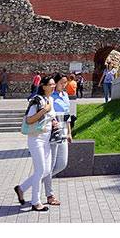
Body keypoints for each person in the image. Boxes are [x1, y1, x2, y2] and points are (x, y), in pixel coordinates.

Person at [14, 76, 58, 211]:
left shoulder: (50, 99)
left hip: (46, 139)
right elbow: (29, 120)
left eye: (54, 84)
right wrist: (44, 110)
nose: (53, 86)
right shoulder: (37, 100)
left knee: (46, 170)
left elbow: (49, 117)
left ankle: (21, 189)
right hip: (36, 138)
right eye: (51, 84)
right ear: (44, 86)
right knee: (39, 170)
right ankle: (36, 202)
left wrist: (53, 121)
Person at [49, 74, 73, 190]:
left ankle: (39, 180)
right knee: (52, 163)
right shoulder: (50, 96)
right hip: (53, 129)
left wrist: (69, 132)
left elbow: (68, 115)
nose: (64, 85)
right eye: (62, 83)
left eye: (65, 83)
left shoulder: (65, 95)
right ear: (56, 83)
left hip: (64, 128)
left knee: (62, 164)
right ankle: (44, 185)